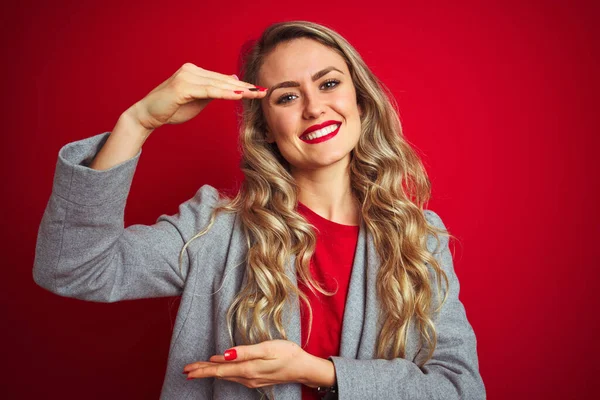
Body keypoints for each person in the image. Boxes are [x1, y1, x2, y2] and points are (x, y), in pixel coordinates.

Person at [33, 20, 486, 400]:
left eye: (329, 83)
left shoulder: (418, 236)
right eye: (287, 97)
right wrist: (138, 121)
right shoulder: (216, 228)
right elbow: (74, 266)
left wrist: (319, 372)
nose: (313, 107)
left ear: (361, 102)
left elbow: (460, 388)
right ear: (265, 128)